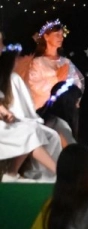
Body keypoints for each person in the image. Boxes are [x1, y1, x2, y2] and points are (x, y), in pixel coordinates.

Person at [1, 42, 61, 181]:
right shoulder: (13, 78)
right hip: (8, 123)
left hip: (12, 120)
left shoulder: (13, 77)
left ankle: (47, 178)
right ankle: (12, 174)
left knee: (52, 136)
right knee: (30, 130)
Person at [23, 19, 86, 109]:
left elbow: (77, 83)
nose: (61, 38)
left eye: (62, 35)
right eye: (57, 35)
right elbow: (35, 86)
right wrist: (56, 79)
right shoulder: (38, 62)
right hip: (45, 109)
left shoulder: (66, 62)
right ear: (46, 37)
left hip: (64, 108)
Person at [37, 79, 83, 147]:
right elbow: (71, 151)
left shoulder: (38, 115)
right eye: (77, 102)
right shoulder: (61, 127)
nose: (78, 106)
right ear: (68, 103)